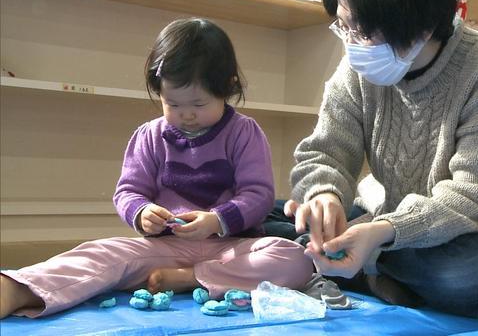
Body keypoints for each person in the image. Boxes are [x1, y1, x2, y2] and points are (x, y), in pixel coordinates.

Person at [0, 18, 313, 319]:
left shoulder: (244, 132)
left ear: (228, 87)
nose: (186, 115)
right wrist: (141, 212)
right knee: (103, 253)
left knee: (295, 259)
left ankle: (191, 278)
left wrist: (216, 220)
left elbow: (259, 196)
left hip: (233, 249)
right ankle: (18, 288)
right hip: (166, 248)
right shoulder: (149, 135)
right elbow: (128, 191)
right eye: (173, 104)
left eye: (199, 104)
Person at [265, 0, 478, 318]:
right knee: (266, 212)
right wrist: (326, 195)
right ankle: (352, 259)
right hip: (379, 216)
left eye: (363, 32)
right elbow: (325, 150)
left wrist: (382, 234)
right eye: (344, 25)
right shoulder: (358, 63)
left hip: (473, 231)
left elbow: (475, 194)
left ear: (421, 26)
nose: (352, 43)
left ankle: (343, 261)